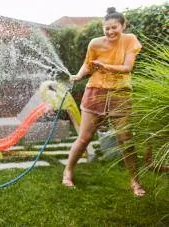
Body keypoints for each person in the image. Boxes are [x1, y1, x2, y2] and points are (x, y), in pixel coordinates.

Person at [62, 7, 146, 197]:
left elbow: (127, 67)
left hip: (120, 94)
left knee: (126, 140)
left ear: (123, 25)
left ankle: (135, 181)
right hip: (95, 92)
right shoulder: (95, 43)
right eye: (106, 29)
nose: (110, 32)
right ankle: (68, 172)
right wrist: (79, 75)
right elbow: (88, 64)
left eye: (114, 28)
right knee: (84, 138)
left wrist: (105, 66)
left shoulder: (130, 40)